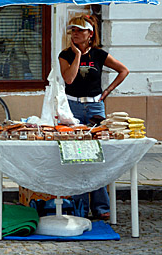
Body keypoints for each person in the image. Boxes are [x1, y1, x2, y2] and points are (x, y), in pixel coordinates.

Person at [58, 14, 129, 219]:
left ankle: (100, 207)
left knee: (98, 157)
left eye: (80, 30)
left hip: (95, 108)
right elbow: (69, 80)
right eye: (73, 30)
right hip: (73, 108)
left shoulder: (99, 55)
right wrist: (77, 56)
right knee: (75, 155)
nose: (75, 34)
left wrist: (107, 92)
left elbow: (123, 70)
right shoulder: (66, 55)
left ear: (90, 34)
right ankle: (79, 206)